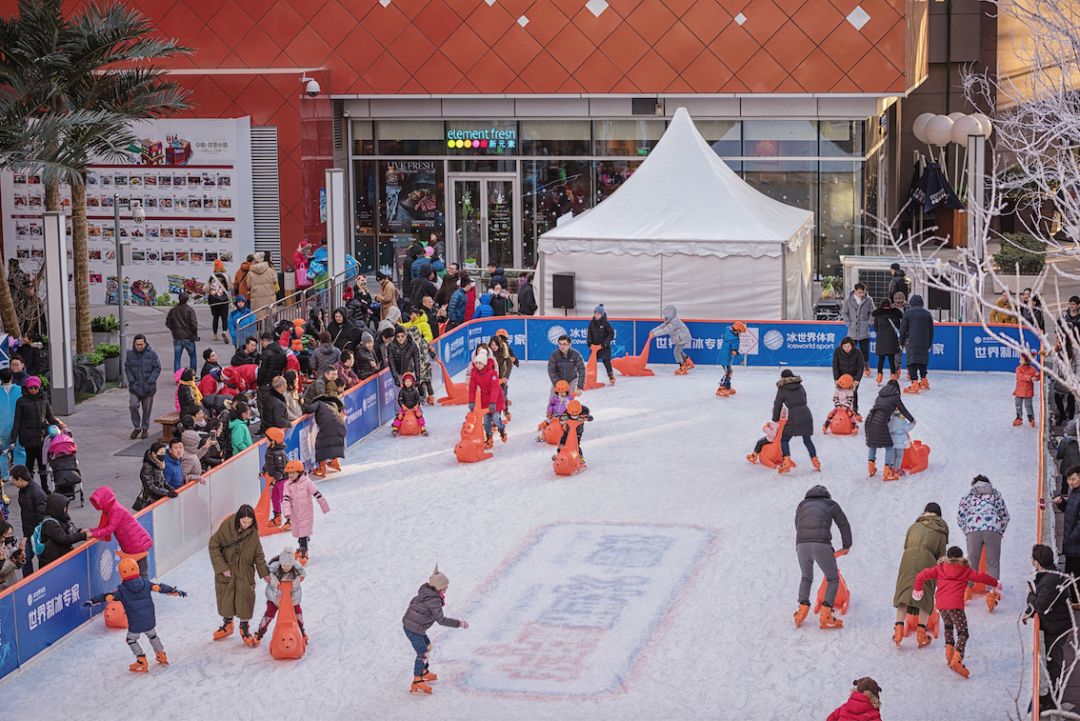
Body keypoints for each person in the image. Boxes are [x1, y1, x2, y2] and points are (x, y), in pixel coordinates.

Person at [86, 557, 186, 672]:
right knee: (152, 635)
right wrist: (174, 591)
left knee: (131, 639)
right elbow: (159, 588)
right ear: (137, 569)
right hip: (149, 619)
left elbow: (108, 597)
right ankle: (161, 654)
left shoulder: (121, 590)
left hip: (135, 623)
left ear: (121, 574)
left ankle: (141, 659)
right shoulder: (146, 583)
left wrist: (93, 600)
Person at [913, 546, 999, 677]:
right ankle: (957, 659)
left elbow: (921, 575)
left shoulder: (940, 568)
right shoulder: (965, 570)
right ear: (961, 557)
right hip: (955, 606)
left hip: (941, 605)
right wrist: (996, 583)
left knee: (948, 627)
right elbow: (981, 577)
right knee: (963, 632)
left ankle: (949, 654)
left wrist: (918, 590)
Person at [209, 504, 269, 646]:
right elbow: (213, 545)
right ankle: (227, 625)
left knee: (245, 599)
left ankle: (244, 629)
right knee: (226, 598)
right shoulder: (227, 528)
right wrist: (222, 567)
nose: (247, 525)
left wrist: (264, 573)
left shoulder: (253, 533)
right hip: (227, 571)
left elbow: (258, 555)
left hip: (245, 572)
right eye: (244, 522)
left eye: (249, 522)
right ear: (238, 520)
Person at [402, 567, 469, 694]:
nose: (447, 588)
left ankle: (423, 671)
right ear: (439, 588)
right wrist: (459, 623)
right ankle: (417, 680)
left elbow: (413, 602)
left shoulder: (425, 593)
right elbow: (441, 620)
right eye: (446, 587)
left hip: (413, 626)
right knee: (422, 653)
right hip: (414, 629)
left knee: (427, 647)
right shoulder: (434, 601)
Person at [793, 484, 851, 629]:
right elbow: (843, 524)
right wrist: (846, 545)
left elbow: (797, 524)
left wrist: (801, 542)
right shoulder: (830, 504)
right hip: (821, 545)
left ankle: (802, 609)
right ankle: (826, 614)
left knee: (806, 577)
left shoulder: (802, 505)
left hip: (802, 545)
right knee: (832, 578)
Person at [892, 502, 948, 649]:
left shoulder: (914, 526)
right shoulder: (941, 530)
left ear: (925, 512)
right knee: (925, 595)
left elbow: (906, 545)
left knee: (904, 594)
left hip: (908, 558)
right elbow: (941, 556)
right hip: (928, 560)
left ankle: (898, 630)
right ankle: (921, 633)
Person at [1025, 544, 1073, 710]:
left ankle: (1054, 700)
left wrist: (1030, 595)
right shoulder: (1050, 574)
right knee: (1053, 661)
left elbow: (1041, 605)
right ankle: (1051, 696)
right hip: (1057, 623)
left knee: (1055, 662)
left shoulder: (1050, 579)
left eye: (1032, 558)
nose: (1031, 561)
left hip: (1057, 627)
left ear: (1038, 562)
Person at [957, 474, 1009, 612]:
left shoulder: (968, 495)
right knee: (992, 562)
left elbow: (961, 517)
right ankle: (992, 594)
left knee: (972, 561)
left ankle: (967, 590)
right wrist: (999, 531)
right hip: (993, 528)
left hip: (973, 528)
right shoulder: (996, 494)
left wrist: (968, 531)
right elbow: (1005, 516)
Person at [89, 485, 154, 576]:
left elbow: (110, 529)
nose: (98, 505)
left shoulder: (116, 510)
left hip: (137, 544)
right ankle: (140, 589)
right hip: (132, 544)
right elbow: (103, 528)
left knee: (142, 573)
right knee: (134, 573)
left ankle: (145, 590)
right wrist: (89, 531)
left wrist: (93, 533)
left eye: (99, 502)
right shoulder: (109, 511)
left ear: (105, 499)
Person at [11, 376, 59, 486]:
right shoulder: (21, 402)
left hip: (42, 437)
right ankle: (29, 486)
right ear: (27, 388)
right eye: (31, 388)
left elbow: (50, 417)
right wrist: (13, 438)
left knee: (43, 464)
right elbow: (17, 421)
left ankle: (44, 486)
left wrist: (58, 426)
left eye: (36, 388)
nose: (34, 390)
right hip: (28, 437)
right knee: (29, 463)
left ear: (39, 387)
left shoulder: (44, 400)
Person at [282, 459, 330, 563]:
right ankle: (302, 546)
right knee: (299, 533)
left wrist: (324, 506)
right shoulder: (287, 485)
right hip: (295, 513)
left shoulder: (307, 482)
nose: (290, 475)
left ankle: (304, 551)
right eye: (289, 473)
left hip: (306, 513)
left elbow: (317, 493)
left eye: (293, 473)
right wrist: (287, 513)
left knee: (303, 532)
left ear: (299, 473)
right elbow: (285, 499)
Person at [864, 380, 915, 480]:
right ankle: (888, 472)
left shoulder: (880, 395)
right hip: (880, 422)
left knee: (873, 445)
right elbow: (903, 410)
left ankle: (871, 467)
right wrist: (912, 420)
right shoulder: (895, 397)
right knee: (890, 446)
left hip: (870, 420)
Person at [254, 548, 307, 644]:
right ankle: (259, 633)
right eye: (284, 565)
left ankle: (302, 632)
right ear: (280, 563)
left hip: (292, 598)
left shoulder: (296, 569)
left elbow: (303, 574)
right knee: (269, 614)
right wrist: (272, 579)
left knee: (297, 613)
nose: (286, 568)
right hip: (275, 597)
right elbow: (266, 574)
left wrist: (298, 580)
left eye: (289, 566)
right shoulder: (273, 568)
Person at [771, 369, 818, 473]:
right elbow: (804, 398)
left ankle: (786, 461)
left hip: (794, 415)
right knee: (807, 440)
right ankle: (815, 460)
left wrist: (775, 419)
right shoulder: (800, 386)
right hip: (806, 413)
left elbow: (777, 404)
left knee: (784, 439)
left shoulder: (782, 389)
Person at [37, 492, 89, 567]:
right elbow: (63, 539)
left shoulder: (61, 517)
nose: (65, 509)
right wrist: (83, 535)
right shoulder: (49, 523)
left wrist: (79, 531)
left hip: (61, 559)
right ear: (56, 507)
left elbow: (67, 531)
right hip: (52, 563)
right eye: (64, 507)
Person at [469, 346, 507, 448]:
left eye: (480, 363)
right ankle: (489, 437)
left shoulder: (492, 373)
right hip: (485, 399)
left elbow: (495, 389)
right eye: (476, 363)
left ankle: (502, 429)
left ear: (484, 363)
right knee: (486, 421)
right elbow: (472, 388)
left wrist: (493, 403)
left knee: (495, 418)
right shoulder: (474, 373)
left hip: (496, 399)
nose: (477, 365)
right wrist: (471, 401)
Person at [125, 335, 160, 440]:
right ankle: (137, 427)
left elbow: (157, 368)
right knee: (133, 406)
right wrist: (131, 380)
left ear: (145, 343)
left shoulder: (152, 354)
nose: (139, 346)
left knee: (147, 409)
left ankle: (145, 428)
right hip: (135, 386)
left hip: (148, 387)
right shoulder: (130, 355)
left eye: (141, 344)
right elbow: (127, 368)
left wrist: (151, 380)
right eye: (137, 344)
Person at [12, 464, 45, 575]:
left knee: (43, 559)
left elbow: (42, 516)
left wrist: (40, 536)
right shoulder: (23, 490)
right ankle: (29, 584)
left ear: (20, 479)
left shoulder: (37, 493)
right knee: (25, 559)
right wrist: (26, 536)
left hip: (38, 535)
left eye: (13, 479)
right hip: (28, 533)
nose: (12, 482)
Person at [899, 294, 934, 393]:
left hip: (912, 341)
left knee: (912, 362)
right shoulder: (928, 314)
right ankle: (924, 380)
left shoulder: (908, 313)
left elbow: (903, 329)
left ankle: (914, 383)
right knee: (922, 360)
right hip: (924, 341)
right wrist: (929, 344)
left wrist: (901, 342)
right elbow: (931, 330)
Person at [305, 394, 345, 479]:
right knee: (333, 443)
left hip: (329, 426)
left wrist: (302, 404)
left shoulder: (319, 403)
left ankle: (321, 468)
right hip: (341, 425)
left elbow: (309, 409)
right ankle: (334, 462)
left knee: (321, 444)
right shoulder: (333, 403)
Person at [1057, 465, 1080, 603]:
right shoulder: (1074, 492)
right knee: (1072, 572)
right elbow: (1071, 512)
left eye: (1073, 479)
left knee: (1074, 573)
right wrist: (1061, 504)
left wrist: (1071, 538)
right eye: (1068, 480)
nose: (1070, 482)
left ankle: (1077, 600)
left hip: (1075, 544)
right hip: (1072, 543)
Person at [648, 305, 694, 374]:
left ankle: (682, 367)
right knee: (679, 351)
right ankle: (688, 362)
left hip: (683, 337)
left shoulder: (675, 321)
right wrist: (653, 331)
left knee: (676, 352)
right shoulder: (669, 320)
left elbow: (666, 330)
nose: (666, 316)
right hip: (680, 338)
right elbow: (662, 326)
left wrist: (654, 334)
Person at [840, 283, 874, 370]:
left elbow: (872, 312)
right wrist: (848, 323)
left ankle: (866, 366)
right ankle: (851, 366)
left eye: (862, 292)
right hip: (852, 330)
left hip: (864, 329)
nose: (861, 294)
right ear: (855, 291)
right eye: (859, 292)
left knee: (864, 350)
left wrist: (869, 322)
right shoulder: (848, 300)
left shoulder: (868, 299)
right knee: (851, 349)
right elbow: (844, 312)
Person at [165, 292, 199, 372]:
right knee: (193, 357)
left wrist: (173, 329)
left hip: (177, 337)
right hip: (188, 337)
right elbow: (194, 325)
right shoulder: (190, 310)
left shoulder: (173, 310)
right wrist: (195, 335)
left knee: (177, 358)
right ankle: (193, 374)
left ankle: (177, 377)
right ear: (187, 300)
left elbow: (168, 322)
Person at [831, 337, 865, 418]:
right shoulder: (837, 351)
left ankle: (855, 411)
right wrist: (836, 379)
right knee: (841, 393)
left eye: (848, 346)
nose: (847, 349)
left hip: (853, 377)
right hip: (841, 378)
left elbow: (861, 366)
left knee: (853, 393)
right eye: (845, 346)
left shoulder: (857, 352)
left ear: (852, 346)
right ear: (842, 346)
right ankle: (840, 411)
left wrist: (857, 379)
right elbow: (835, 366)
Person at [871, 299, 902, 384]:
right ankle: (893, 375)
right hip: (892, 339)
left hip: (881, 339)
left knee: (881, 359)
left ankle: (879, 375)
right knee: (891, 359)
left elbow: (876, 328)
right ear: (890, 305)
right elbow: (898, 326)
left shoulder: (878, 315)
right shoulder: (895, 314)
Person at [0, 369, 22, 477]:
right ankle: (19, 475)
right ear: (12, 377)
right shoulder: (20, 390)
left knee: (3, 451)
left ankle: (4, 475)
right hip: (18, 425)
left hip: (2, 426)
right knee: (20, 450)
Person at [587, 305, 616, 386]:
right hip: (594, 346)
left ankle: (611, 376)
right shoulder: (592, 323)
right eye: (595, 313)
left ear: (602, 315)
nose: (596, 315)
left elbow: (611, 334)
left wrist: (605, 343)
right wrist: (589, 343)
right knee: (591, 362)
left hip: (604, 347)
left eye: (598, 314)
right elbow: (589, 333)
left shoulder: (606, 323)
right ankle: (589, 377)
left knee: (606, 361)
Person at [716, 321, 745, 397]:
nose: (740, 334)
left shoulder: (728, 332)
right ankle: (721, 388)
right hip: (726, 359)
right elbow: (734, 352)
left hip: (723, 357)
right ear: (737, 331)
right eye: (740, 332)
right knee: (728, 372)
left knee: (729, 371)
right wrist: (741, 359)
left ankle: (727, 387)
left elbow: (729, 327)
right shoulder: (735, 340)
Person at [247, 251, 278, 318]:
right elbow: (275, 281)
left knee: (258, 317)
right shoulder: (270, 270)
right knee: (269, 316)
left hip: (256, 300)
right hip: (269, 297)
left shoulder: (251, 272)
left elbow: (248, 285)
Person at [207, 259, 232, 344]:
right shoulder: (225, 276)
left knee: (215, 318)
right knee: (224, 318)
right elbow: (229, 288)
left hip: (213, 301)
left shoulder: (211, 276)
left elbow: (208, 288)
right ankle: (224, 332)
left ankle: (215, 335)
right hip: (223, 300)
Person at [1014, 353, 1040, 427]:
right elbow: (1020, 376)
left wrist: (1038, 376)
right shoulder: (1018, 369)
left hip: (1028, 391)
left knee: (1028, 405)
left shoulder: (1032, 369)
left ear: (1026, 361)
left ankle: (1031, 419)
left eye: (1021, 359)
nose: (1019, 361)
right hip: (1019, 390)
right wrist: (1030, 378)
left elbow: (1037, 377)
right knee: (1018, 405)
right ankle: (1019, 418)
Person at [0, 520, 25, 590]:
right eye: (7, 535)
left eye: (11, 534)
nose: (10, 537)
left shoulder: (10, 544)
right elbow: (1, 572)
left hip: (12, 584)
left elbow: (17, 566)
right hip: (2, 588)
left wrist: (19, 557)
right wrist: (12, 560)